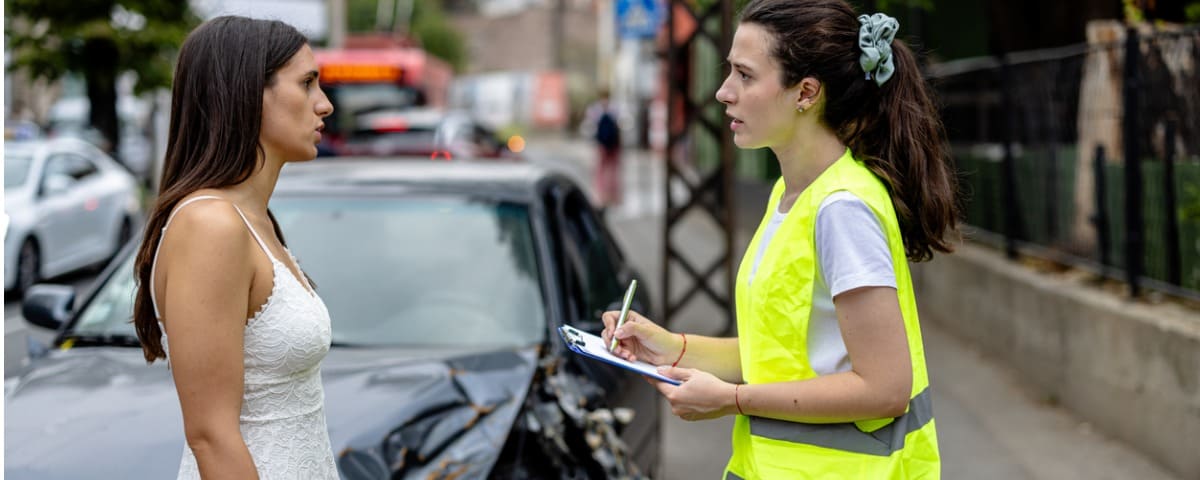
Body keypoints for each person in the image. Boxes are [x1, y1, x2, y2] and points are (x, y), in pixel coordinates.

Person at [602, 0, 957, 478]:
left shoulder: (841, 209)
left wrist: (731, 400)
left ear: (805, 93)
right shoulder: (790, 196)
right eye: (730, 71)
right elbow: (784, 353)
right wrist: (668, 347)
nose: (724, 92)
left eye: (745, 76)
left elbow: (885, 388)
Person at [130, 16, 338, 479]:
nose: (324, 105)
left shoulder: (254, 219)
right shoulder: (210, 224)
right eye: (306, 84)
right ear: (245, 93)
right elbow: (210, 434)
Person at [586, 89, 623, 207]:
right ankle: (603, 193)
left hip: (610, 143)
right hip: (605, 143)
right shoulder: (605, 109)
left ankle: (610, 193)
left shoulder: (601, 110)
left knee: (610, 169)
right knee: (604, 169)